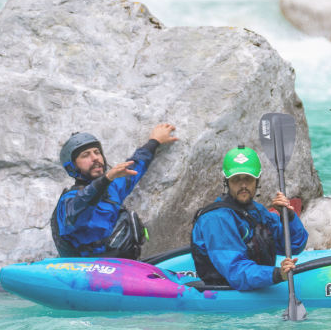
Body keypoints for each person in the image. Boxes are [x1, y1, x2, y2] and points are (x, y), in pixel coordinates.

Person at [51, 124, 177, 257]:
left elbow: (135, 166)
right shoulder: (68, 203)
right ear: (73, 166)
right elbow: (83, 203)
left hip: (121, 265)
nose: (95, 158)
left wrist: (154, 142)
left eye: (97, 152)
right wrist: (107, 179)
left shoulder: (111, 189)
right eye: (85, 155)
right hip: (90, 270)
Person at [190, 147, 308, 290]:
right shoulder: (216, 219)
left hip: (258, 284)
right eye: (236, 179)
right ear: (227, 182)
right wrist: (277, 274)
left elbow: (294, 246)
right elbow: (235, 271)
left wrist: (288, 217)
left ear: (257, 181)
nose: (244, 185)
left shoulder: (258, 212)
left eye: (249, 178)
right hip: (227, 293)